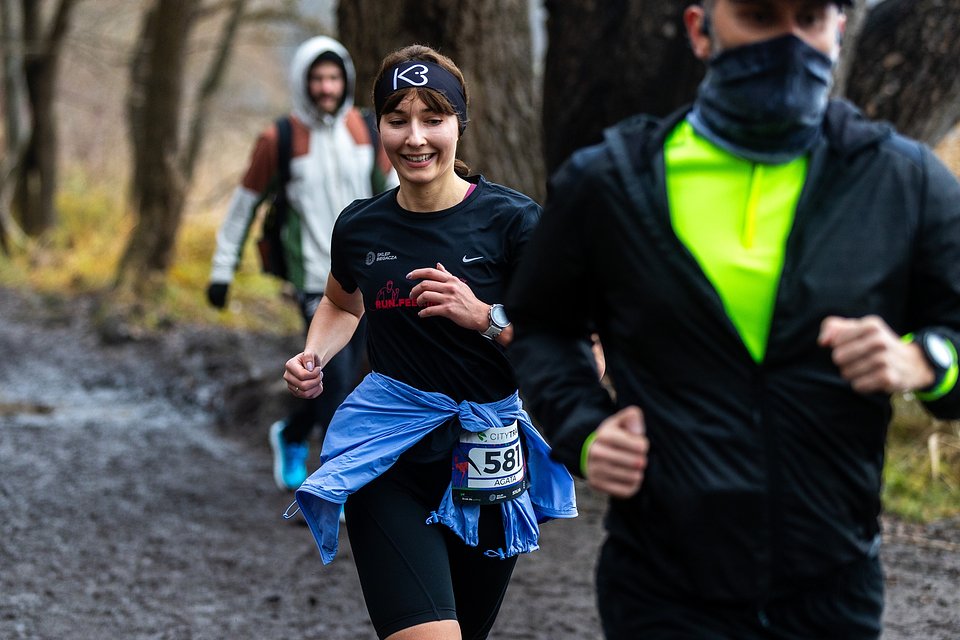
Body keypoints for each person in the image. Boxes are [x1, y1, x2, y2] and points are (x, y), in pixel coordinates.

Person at [505, 1, 960, 638]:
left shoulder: (903, 181)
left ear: (839, 27)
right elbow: (541, 328)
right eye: (758, 16)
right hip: (662, 591)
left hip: (832, 592)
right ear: (700, 29)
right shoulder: (610, 182)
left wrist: (925, 360)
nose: (788, 43)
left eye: (808, 18)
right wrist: (584, 429)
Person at [282, 44, 577, 640]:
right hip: (389, 453)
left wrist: (486, 318)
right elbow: (342, 301)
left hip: (487, 455)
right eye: (397, 119)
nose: (415, 138)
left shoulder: (516, 224)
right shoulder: (361, 226)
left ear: (459, 125)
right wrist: (316, 352)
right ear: (379, 128)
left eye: (433, 118)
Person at [206, 36, 398, 491]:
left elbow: (394, 196)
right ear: (303, 82)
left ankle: (291, 432)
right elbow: (243, 206)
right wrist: (221, 270)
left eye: (334, 77)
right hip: (313, 278)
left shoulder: (367, 131)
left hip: (368, 274)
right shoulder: (281, 138)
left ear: (346, 80)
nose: (326, 87)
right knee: (333, 377)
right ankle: (340, 487)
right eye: (317, 78)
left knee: (345, 374)